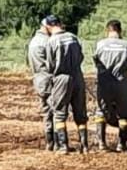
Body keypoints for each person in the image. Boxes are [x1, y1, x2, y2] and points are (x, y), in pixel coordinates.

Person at [44, 15, 89, 154]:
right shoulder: (73, 37)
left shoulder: (52, 41)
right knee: (80, 113)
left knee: (59, 113)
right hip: (78, 76)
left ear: (49, 26)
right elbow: (81, 57)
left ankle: (63, 146)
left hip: (61, 78)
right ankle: (84, 146)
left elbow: (50, 64)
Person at [93, 19, 127, 152]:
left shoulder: (100, 44)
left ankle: (101, 144)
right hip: (121, 82)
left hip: (104, 83)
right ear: (120, 30)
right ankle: (121, 144)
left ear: (107, 30)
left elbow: (96, 62)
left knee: (101, 111)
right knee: (124, 114)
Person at [28, 20, 55, 150]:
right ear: (47, 27)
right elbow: (52, 63)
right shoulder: (47, 42)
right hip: (48, 79)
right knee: (55, 111)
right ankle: (57, 143)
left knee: (46, 111)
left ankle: (49, 142)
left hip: (38, 79)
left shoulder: (33, 41)